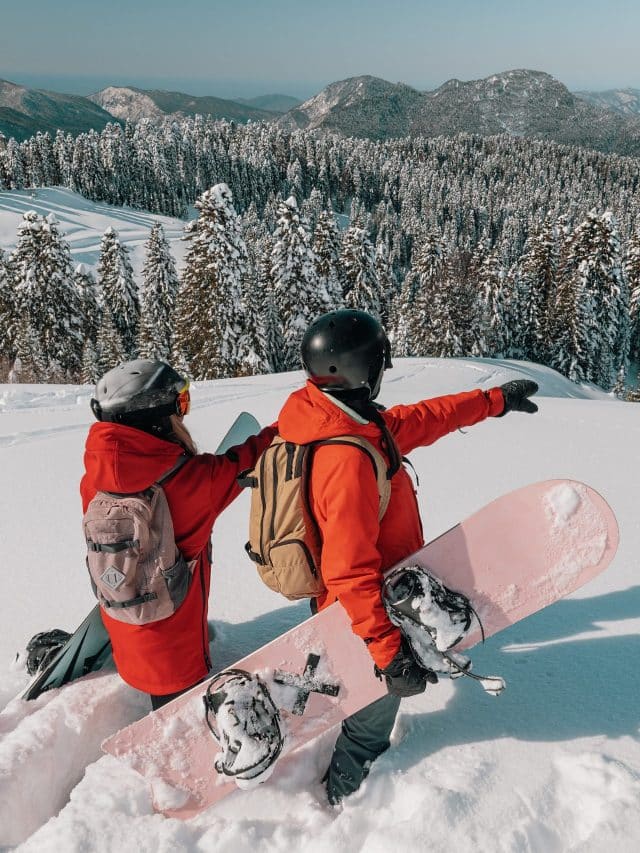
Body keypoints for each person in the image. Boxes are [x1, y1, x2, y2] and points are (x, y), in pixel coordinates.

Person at [275, 308, 539, 805]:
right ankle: (341, 804)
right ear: (359, 369)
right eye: (379, 361)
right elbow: (348, 570)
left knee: (367, 704)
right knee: (372, 718)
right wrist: (387, 651)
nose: (384, 370)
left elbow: (424, 418)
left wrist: (493, 401)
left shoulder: (345, 420)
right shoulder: (346, 458)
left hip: (370, 599)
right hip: (360, 612)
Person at [80, 359, 277, 709]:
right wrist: (294, 422)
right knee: (178, 726)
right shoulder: (196, 481)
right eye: (180, 403)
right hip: (178, 660)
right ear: (154, 416)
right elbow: (250, 455)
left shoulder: (93, 483)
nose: (184, 414)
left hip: (127, 642)